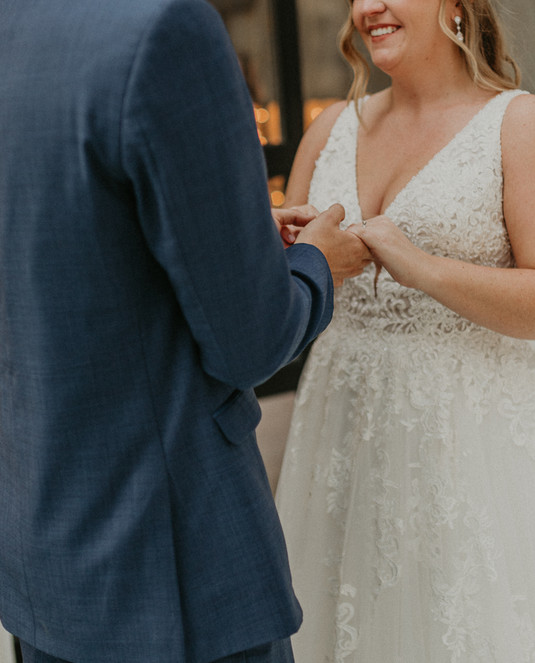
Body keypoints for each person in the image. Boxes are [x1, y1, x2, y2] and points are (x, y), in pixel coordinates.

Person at [0, 1, 372, 662]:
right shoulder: (166, 27)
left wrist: (234, 235)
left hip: (45, 578)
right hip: (174, 576)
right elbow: (252, 343)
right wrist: (315, 264)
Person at [275, 0, 535, 660]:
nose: (368, 8)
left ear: (457, 6)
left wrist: (422, 268)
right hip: (337, 445)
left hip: (469, 457)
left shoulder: (516, 123)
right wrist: (278, 255)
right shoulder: (328, 128)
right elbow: (280, 306)